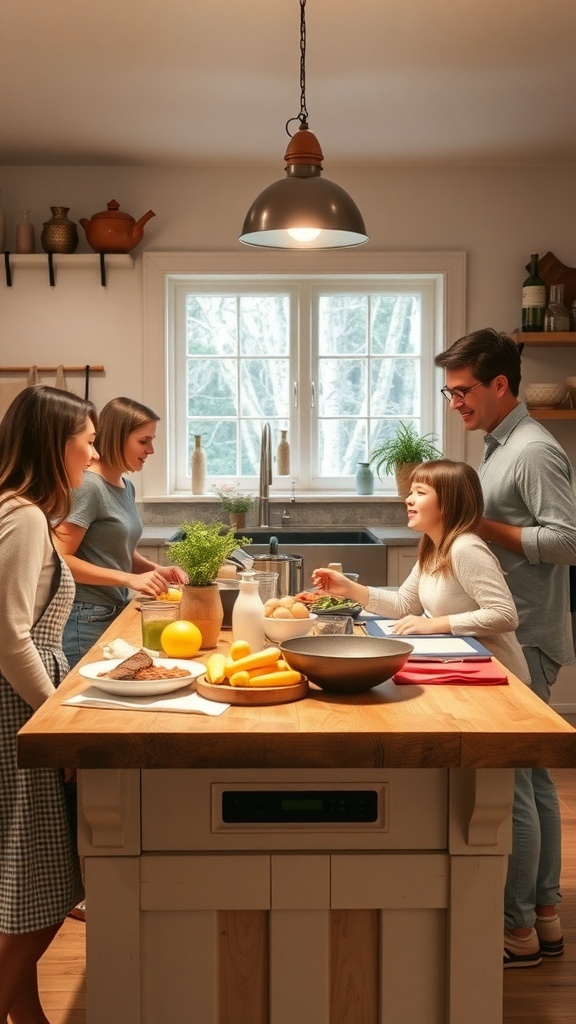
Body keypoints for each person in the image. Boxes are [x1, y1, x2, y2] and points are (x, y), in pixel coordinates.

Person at [435, 327, 576, 968]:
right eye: (448, 391)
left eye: (463, 391)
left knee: (512, 783)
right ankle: (543, 915)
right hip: (511, 632)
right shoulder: (499, 447)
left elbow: (567, 542)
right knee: (532, 778)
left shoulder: (533, 451)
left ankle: (514, 928)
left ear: (500, 385)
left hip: (526, 636)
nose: (455, 403)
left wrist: (470, 523)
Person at [0, 385, 97, 1024]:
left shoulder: (17, 509)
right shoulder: (26, 516)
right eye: (86, 441)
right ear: (54, 443)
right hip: (20, 710)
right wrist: (53, 725)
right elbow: (8, 634)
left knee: (32, 879)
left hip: (25, 704)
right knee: (42, 887)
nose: (91, 455)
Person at [312, 458, 530, 684]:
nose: (408, 500)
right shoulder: (433, 547)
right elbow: (405, 604)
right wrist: (348, 588)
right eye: (410, 492)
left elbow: (504, 615)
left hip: (500, 675)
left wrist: (435, 623)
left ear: (448, 503)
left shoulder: (465, 548)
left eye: (420, 492)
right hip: (462, 666)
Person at [55, 396, 188, 668]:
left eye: (152, 440)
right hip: (84, 616)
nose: (151, 449)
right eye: (143, 441)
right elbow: (60, 558)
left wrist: (154, 569)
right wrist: (129, 579)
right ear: (117, 438)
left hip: (111, 610)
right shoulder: (88, 486)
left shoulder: (126, 487)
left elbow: (116, 550)